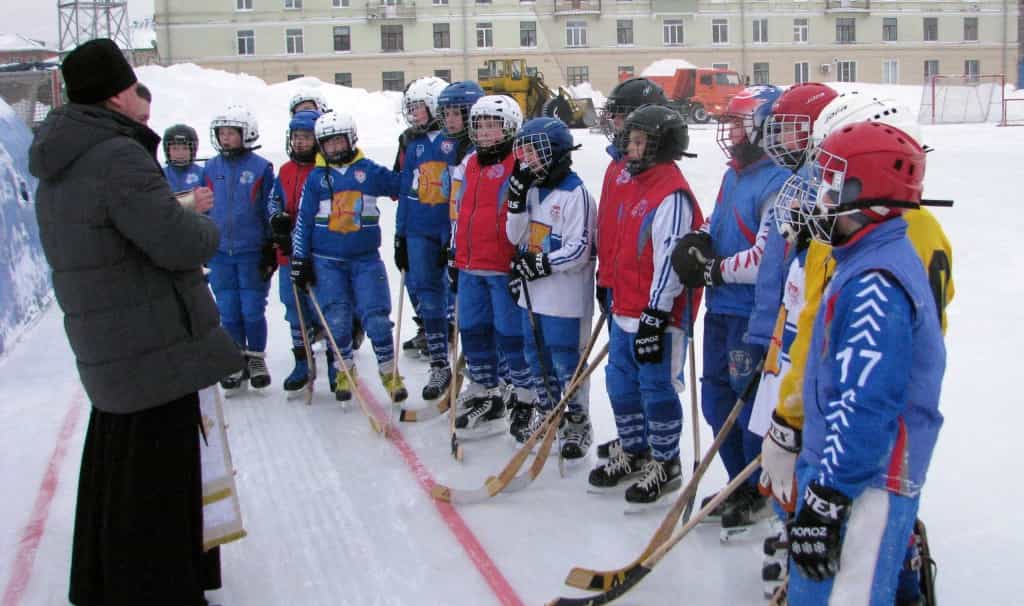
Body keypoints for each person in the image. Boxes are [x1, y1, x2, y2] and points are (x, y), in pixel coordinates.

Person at [29, 38, 241, 606]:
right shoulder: (117, 157)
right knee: (160, 478)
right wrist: (205, 228)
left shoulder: (65, 158)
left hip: (114, 339)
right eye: (128, 84)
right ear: (116, 94)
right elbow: (173, 242)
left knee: (119, 467)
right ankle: (160, 587)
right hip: (151, 341)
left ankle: (107, 580)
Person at [756, 93, 954, 604]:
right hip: (846, 470)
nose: (820, 196)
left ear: (873, 196)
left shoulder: (875, 283)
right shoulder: (859, 257)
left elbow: (867, 401)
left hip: (865, 480)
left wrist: (828, 498)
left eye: (832, 184)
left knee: (845, 595)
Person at [671, 85, 791, 530]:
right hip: (720, 308)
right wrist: (698, 239)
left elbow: (765, 259)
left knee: (746, 407)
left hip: (751, 315)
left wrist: (715, 269)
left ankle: (757, 485)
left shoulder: (779, 181)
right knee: (716, 399)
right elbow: (718, 220)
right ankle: (736, 478)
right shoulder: (732, 174)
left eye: (740, 122)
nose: (731, 130)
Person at [586, 105, 703, 507]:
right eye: (629, 141)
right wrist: (610, 286)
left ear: (661, 147)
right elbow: (620, 243)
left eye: (639, 143)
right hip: (625, 305)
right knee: (620, 382)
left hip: (657, 314)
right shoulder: (634, 182)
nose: (630, 150)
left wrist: (655, 314)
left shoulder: (670, 194)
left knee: (656, 388)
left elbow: (669, 257)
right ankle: (635, 449)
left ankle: (665, 461)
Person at [290, 112, 407, 402]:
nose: (335, 148)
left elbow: (401, 186)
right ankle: (344, 368)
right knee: (338, 319)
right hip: (326, 261)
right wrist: (300, 259)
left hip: (365, 259)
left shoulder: (366, 170)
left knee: (377, 318)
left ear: (351, 139)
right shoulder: (317, 178)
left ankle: (388, 371)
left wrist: (407, 157)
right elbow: (303, 221)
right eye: (328, 143)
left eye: (339, 141)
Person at [506, 117, 596, 458]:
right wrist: (515, 204)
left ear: (556, 152)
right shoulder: (528, 189)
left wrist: (543, 263)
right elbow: (514, 237)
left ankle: (577, 421)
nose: (527, 159)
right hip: (532, 295)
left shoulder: (577, 195)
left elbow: (579, 248)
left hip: (565, 298)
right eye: (524, 151)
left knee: (565, 361)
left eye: (534, 151)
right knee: (536, 356)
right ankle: (548, 412)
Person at [591, 76, 669, 460]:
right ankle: (634, 438)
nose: (615, 124)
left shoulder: (650, 173)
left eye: (621, 117)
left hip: (643, 293)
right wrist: (604, 275)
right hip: (615, 283)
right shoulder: (616, 164)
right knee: (620, 373)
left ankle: (657, 447)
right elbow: (609, 225)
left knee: (646, 375)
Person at [449, 94, 533, 436]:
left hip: (502, 267)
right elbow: (459, 210)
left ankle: (525, 396)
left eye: (493, 127)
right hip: (470, 266)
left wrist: (522, 257)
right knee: (472, 330)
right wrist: (454, 252)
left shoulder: (521, 164)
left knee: (511, 335)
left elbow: (530, 215)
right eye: (480, 126)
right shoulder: (469, 163)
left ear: (510, 128)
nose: (484, 134)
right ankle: (486, 392)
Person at [202, 103, 276, 392]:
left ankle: (256, 357)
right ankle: (234, 358)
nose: (225, 139)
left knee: (253, 308)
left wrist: (270, 245)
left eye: (231, 133)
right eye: (221, 133)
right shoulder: (209, 167)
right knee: (228, 310)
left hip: (251, 251)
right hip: (220, 253)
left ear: (246, 134)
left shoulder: (260, 168)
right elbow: (202, 209)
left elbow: (270, 208)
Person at [394, 76, 456, 400]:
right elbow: (405, 191)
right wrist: (400, 235)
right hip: (418, 230)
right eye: (412, 109)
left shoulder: (456, 140)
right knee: (426, 295)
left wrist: (455, 233)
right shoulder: (410, 143)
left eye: (418, 108)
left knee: (459, 297)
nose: (414, 115)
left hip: (448, 228)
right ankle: (438, 361)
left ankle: (480, 368)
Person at [268, 109, 329, 394]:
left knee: (323, 304)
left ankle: (334, 360)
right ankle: (302, 362)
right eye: (296, 137)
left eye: (306, 137)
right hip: (288, 253)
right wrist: (278, 219)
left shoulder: (324, 170)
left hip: (318, 252)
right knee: (294, 307)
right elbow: (273, 200)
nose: (300, 142)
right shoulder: (285, 170)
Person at [162, 123, 203, 193]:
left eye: (185, 148)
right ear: (167, 150)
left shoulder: (204, 174)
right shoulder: (160, 176)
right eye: (175, 148)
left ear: (193, 150)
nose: (180, 153)